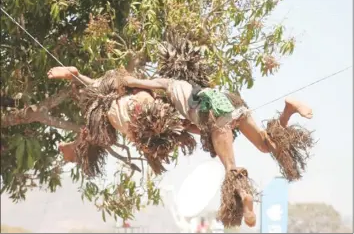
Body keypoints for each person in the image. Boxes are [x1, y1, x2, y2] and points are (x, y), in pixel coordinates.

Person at [122, 75, 314, 227]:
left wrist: (132, 81)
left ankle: (244, 196)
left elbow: (156, 83)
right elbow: (199, 129)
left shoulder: (171, 86)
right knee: (265, 145)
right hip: (232, 104)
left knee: (230, 165)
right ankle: (288, 111)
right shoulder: (188, 94)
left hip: (216, 114)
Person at [47, 66, 197, 176]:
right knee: (94, 130)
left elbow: (100, 86)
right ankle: (76, 75)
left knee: (94, 129)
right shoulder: (147, 98)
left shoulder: (158, 106)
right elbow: (116, 84)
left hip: (124, 114)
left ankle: (76, 75)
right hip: (122, 110)